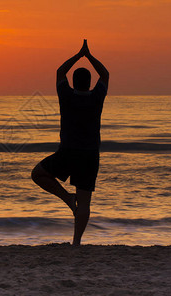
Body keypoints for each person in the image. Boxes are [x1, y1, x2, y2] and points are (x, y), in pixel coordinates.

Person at [31, 39, 109, 246]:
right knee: (85, 201)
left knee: (37, 174)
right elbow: (105, 75)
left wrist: (78, 55)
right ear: (90, 82)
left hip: (69, 152)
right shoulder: (96, 97)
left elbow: (59, 72)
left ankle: (67, 198)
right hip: (90, 154)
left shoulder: (66, 95)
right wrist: (89, 56)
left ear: (73, 83)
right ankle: (76, 242)